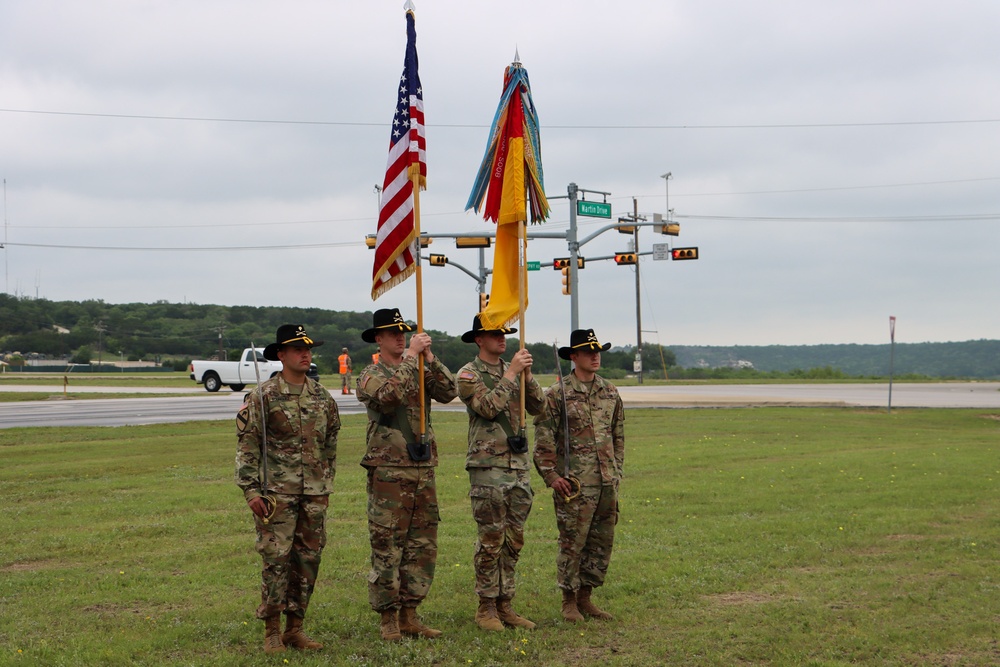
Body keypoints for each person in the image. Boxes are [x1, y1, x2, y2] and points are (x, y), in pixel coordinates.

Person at [235, 324, 340, 654]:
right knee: (276, 562)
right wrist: (251, 490)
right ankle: (272, 631)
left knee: (308, 561)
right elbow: (248, 444)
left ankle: (296, 628)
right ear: (281, 355)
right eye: (297, 349)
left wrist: (324, 482)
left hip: (314, 493)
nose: (305, 354)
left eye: (308, 348)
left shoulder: (322, 396)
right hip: (276, 495)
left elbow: (331, 442)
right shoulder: (263, 396)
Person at [356, 308, 458, 641]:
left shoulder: (419, 366)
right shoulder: (371, 374)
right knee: (388, 546)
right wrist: (411, 356)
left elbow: (449, 391)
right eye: (392, 332)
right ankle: (388, 618)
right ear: (378, 338)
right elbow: (388, 398)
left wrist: (429, 357)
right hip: (389, 469)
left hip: (422, 467)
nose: (400, 336)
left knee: (422, 546)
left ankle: (410, 614)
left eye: (403, 331)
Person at [456, 316, 545, 631]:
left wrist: (528, 376)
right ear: (479, 339)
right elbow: (487, 408)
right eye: (495, 334)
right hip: (488, 467)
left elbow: (540, 407)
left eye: (504, 332)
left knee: (513, 540)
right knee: (491, 539)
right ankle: (486, 608)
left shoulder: (516, 370)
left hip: (517, 467)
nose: (502, 338)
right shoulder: (469, 374)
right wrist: (511, 374)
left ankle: (506, 604)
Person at [532, 328, 624, 623]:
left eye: (597, 351)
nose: (595, 356)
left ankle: (586, 598)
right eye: (588, 351)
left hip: (606, 482)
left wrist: (617, 471)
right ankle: (569, 601)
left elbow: (618, 435)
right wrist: (551, 476)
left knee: (601, 541)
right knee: (573, 541)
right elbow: (544, 438)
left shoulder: (609, 391)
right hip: (574, 484)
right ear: (574, 357)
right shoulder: (557, 394)